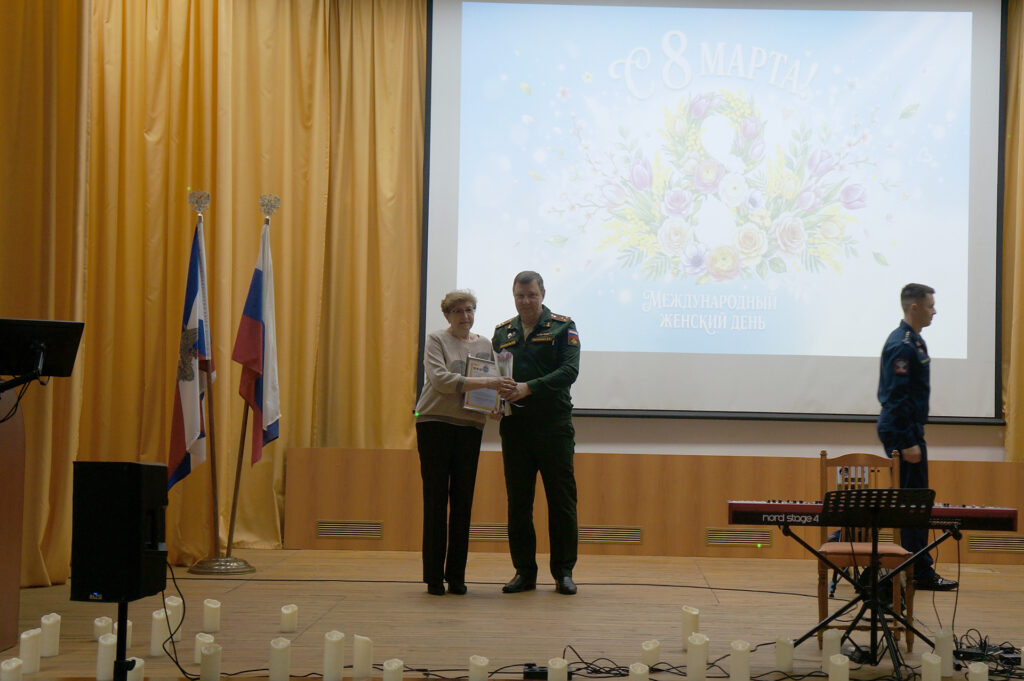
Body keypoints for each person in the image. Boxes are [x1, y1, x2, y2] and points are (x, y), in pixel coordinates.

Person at [415, 290, 514, 596]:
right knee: (435, 502)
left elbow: (489, 386)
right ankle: (433, 577)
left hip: (470, 427)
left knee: (463, 503)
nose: (465, 316)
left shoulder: (485, 344)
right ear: (447, 315)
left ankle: (456, 576)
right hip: (434, 423)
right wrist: (488, 383)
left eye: (469, 310)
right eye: (457, 311)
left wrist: (497, 406)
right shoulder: (436, 340)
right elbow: (442, 381)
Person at [492, 271, 581, 595]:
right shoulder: (503, 332)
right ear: (513, 296)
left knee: (561, 502)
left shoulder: (562, 327)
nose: (525, 301)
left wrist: (529, 388)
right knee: (518, 504)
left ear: (542, 294)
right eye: (520, 295)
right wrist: (491, 401)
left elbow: (569, 371)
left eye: (531, 295)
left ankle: (563, 573)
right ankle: (524, 572)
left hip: (554, 427)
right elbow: (494, 375)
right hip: (515, 428)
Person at [876, 283, 957, 591]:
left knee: (914, 503)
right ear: (914, 307)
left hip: (908, 428)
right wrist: (908, 440)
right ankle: (916, 571)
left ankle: (916, 567)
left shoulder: (915, 342)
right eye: (930, 305)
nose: (934, 310)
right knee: (913, 505)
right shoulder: (902, 345)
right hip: (902, 430)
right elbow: (897, 399)